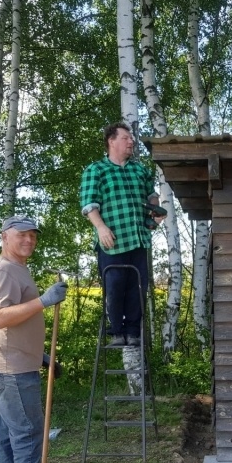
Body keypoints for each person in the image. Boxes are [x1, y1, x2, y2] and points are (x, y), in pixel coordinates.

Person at [0, 215, 76, 463]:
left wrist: (41, 356)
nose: (29, 240)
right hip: (11, 370)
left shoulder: (17, 268)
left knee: (10, 437)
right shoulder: (3, 270)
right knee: (29, 437)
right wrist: (44, 301)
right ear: (4, 237)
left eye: (33, 235)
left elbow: (15, 324)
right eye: (21, 234)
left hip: (14, 362)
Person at [79, 122, 164, 347]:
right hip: (112, 241)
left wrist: (155, 210)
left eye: (131, 138)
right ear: (111, 141)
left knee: (138, 287)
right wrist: (100, 227)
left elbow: (151, 195)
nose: (131, 141)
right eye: (126, 138)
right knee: (115, 286)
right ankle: (116, 332)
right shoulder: (96, 170)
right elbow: (89, 204)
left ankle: (133, 333)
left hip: (138, 239)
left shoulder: (139, 170)